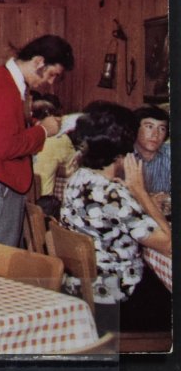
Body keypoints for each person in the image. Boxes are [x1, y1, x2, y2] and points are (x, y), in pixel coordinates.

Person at [62, 101, 171, 334]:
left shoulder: (79, 178)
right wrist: (140, 192)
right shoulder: (114, 195)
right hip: (116, 297)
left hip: (81, 287)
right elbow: (169, 244)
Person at [0, 34, 74, 270]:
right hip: (0, 184)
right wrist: (43, 131)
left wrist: (35, 127)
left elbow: (6, 132)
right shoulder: (2, 87)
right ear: (38, 62)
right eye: (52, 74)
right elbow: (7, 146)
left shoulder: (8, 82)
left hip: (0, 180)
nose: (51, 83)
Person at [31, 100, 76, 218]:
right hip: (44, 202)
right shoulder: (59, 139)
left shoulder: (28, 133)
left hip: (25, 199)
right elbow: (73, 166)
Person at [132, 105, 170, 197]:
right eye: (149, 127)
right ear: (135, 129)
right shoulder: (121, 156)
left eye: (162, 129)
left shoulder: (172, 153)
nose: (155, 134)